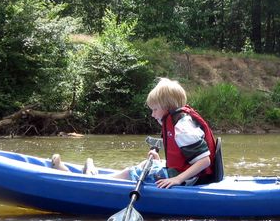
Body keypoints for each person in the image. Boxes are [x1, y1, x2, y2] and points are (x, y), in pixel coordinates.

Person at [52, 77, 217, 188]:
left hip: (187, 179)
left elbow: (204, 161)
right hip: (182, 173)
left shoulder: (182, 126)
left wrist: (177, 179)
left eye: (154, 109)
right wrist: (161, 160)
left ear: (167, 107)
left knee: (132, 172)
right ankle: (90, 175)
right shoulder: (176, 121)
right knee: (145, 165)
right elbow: (184, 158)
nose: (152, 114)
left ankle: (90, 181)